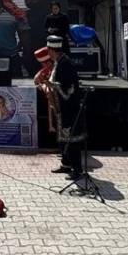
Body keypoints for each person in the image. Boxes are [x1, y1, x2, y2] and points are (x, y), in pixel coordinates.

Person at [47, 35, 83, 178]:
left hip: (68, 107)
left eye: (48, 50)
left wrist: (53, 85)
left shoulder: (65, 64)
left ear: (51, 50)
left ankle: (77, 169)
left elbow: (69, 88)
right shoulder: (58, 62)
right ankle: (66, 164)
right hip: (60, 108)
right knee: (63, 138)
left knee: (71, 139)